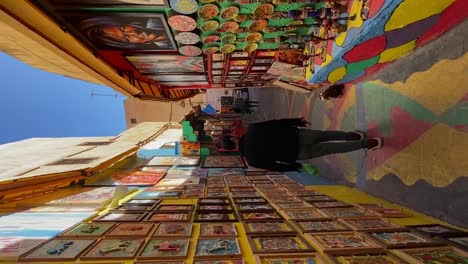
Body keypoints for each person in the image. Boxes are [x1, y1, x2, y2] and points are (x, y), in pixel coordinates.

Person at [234, 117, 382, 172]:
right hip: (297, 135)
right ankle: (352, 135)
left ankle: (367, 143)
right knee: (325, 135)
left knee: (332, 148)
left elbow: (275, 166)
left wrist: (294, 167)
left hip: (297, 153)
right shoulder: (253, 129)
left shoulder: (252, 160)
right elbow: (275, 123)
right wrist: (296, 121)